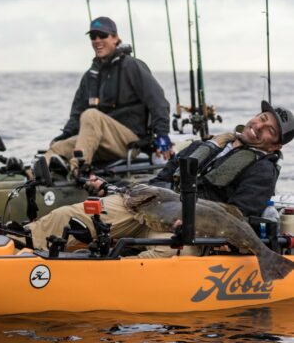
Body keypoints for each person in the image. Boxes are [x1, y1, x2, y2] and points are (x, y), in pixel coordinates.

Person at [26, 101, 294, 257]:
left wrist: (192, 222)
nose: (258, 126)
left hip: (186, 230)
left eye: (269, 130)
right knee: (68, 216)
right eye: (261, 118)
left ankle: (99, 281)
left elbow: (238, 215)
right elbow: (163, 177)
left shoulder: (263, 170)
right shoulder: (208, 144)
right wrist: (123, 190)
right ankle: (21, 245)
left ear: (275, 145)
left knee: (162, 256)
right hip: (148, 208)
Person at [44, 16, 171, 178]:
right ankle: (34, 179)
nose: (97, 40)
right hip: (99, 141)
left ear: (115, 38)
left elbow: (158, 101)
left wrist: (162, 134)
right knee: (57, 147)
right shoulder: (89, 76)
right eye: (93, 36)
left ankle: (78, 171)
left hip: (129, 142)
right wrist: (64, 136)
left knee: (91, 115)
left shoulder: (131, 66)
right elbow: (76, 115)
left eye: (102, 35)